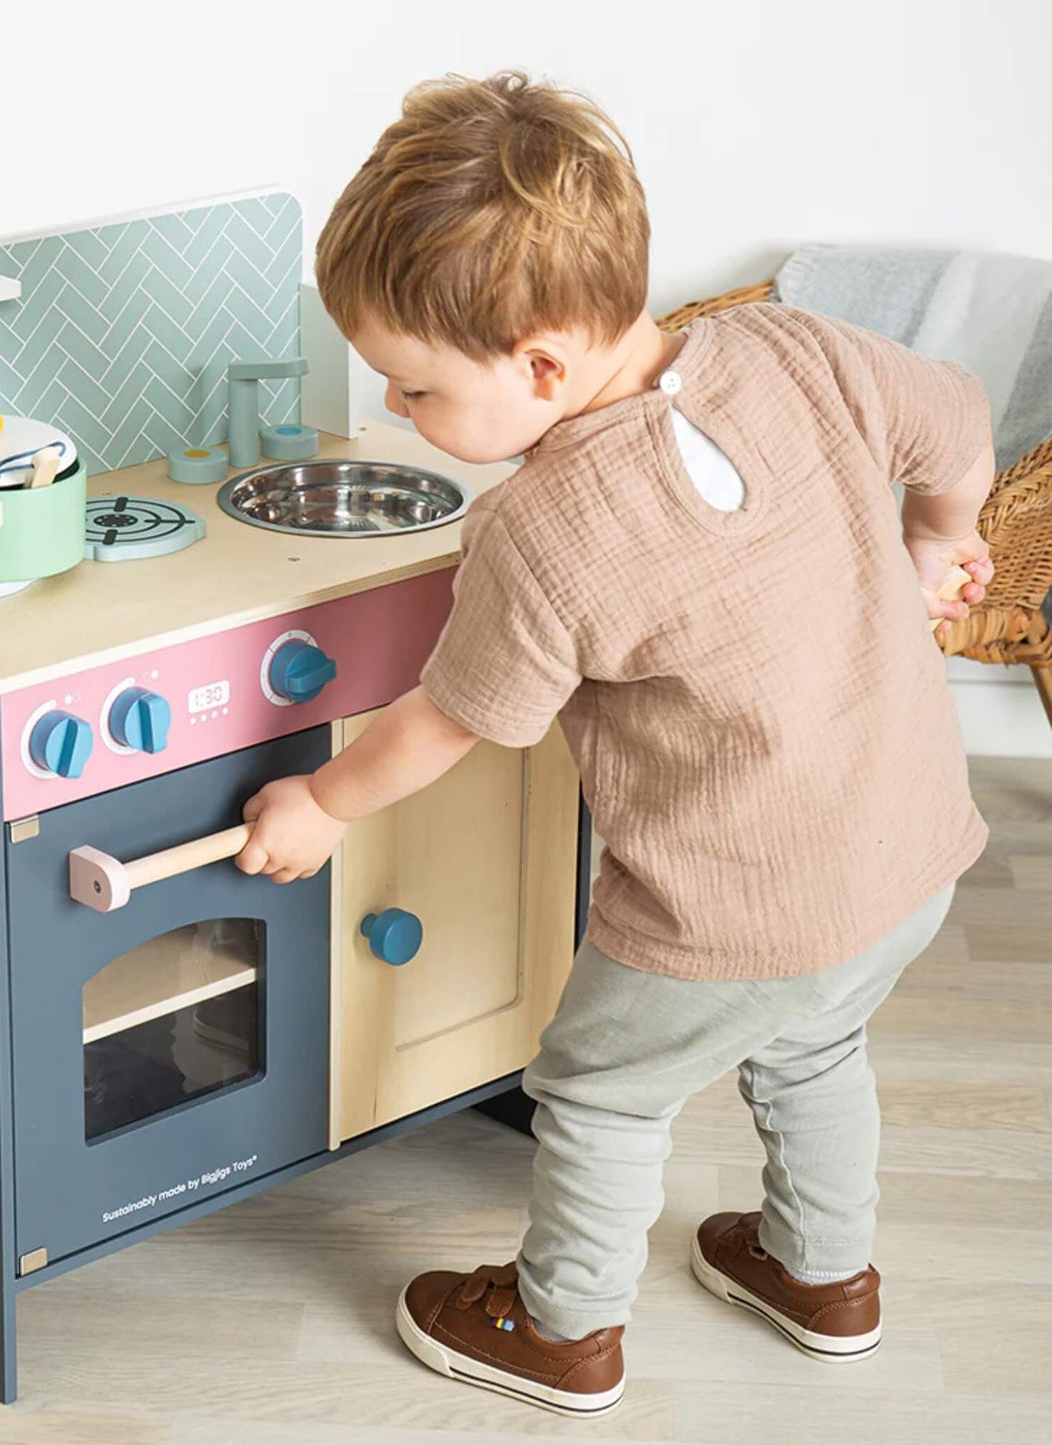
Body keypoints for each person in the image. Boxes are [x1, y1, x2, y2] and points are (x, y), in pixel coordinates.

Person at [233, 70, 994, 1417]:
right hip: (905, 852)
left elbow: (448, 720)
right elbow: (958, 418)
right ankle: (823, 1276)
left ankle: (561, 1326)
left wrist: (323, 803)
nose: (400, 413)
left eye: (415, 389)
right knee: (814, 1044)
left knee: (598, 1092)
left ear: (539, 364)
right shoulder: (792, 350)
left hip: (729, 909)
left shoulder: (542, 529)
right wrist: (939, 538)